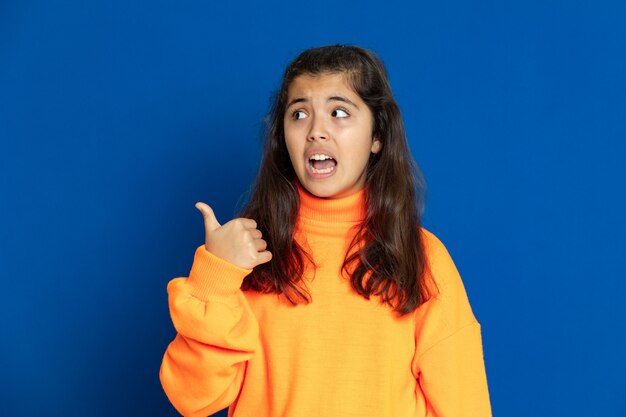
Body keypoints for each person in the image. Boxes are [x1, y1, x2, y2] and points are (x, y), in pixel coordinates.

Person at [160, 44, 492, 417]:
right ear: (283, 138)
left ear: (377, 136)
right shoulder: (247, 252)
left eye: (339, 112)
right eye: (299, 114)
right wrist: (216, 278)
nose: (317, 131)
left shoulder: (420, 256)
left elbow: (465, 406)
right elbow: (193, 398)